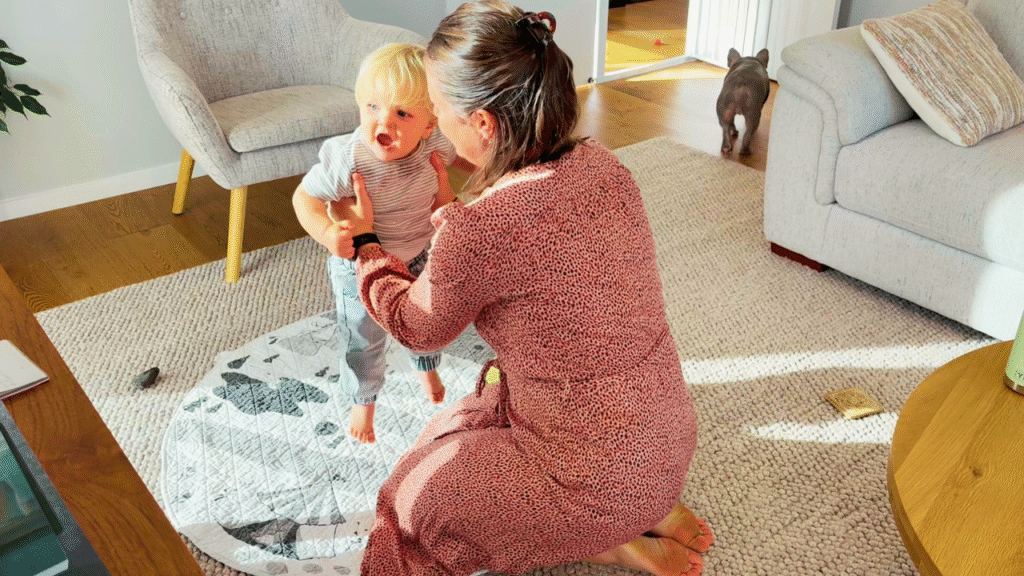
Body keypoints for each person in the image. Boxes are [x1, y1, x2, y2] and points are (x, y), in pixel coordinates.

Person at [331, 2, 713, 574]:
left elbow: (416, 325)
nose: (432, 120)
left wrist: (367, 246)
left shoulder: (478, 229)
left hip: (590, 479)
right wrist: (462, 220)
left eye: (437, 110)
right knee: (490, 393)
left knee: (410, 502)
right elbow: (538, 249)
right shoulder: (605, 167)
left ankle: (606, 532)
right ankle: (640, 511)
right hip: (667, 442)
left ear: (482, 124)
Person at [292, 42, 468, 444]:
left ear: (429, 124)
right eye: (372, 106)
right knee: (364, 336)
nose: (382, 121)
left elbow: (467, 160)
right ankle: (364, 399)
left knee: (426, 321)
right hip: (358, 265)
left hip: (421, 254)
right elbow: (304, 198)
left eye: (402, 113)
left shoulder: (433, 145)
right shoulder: (348, 159)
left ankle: (426, 366)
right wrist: (326, 233)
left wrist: (496, 167)